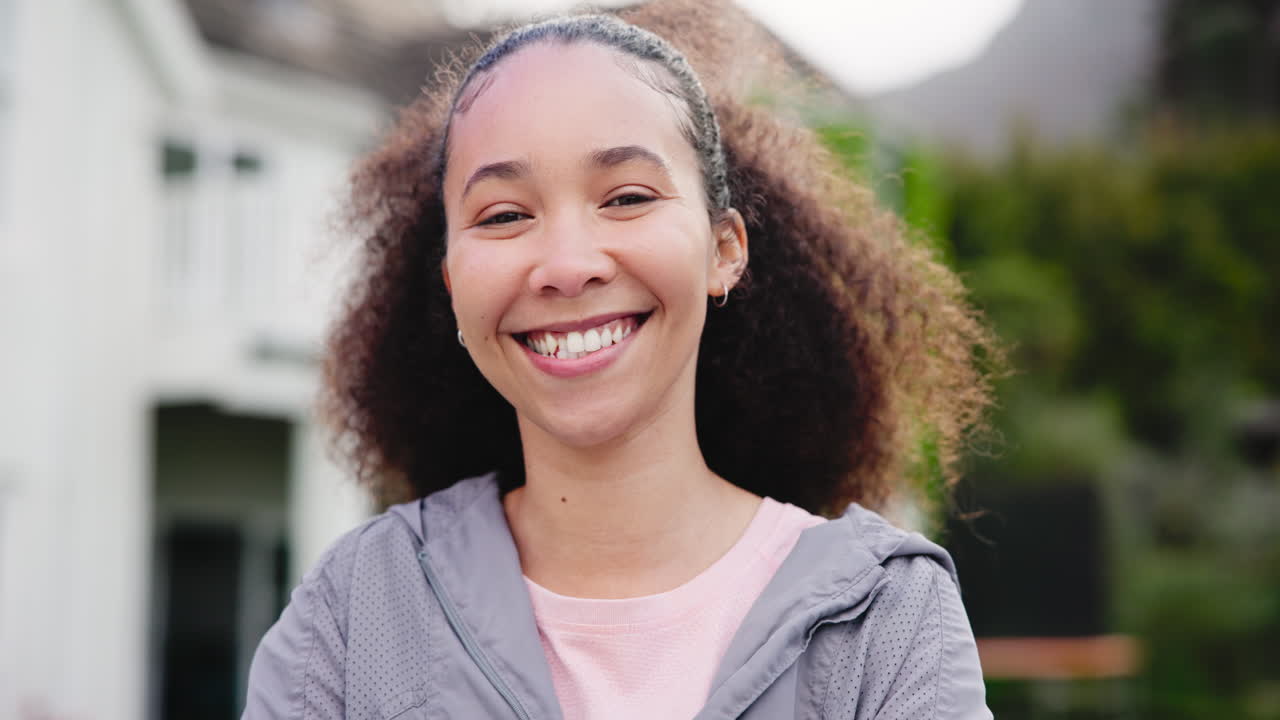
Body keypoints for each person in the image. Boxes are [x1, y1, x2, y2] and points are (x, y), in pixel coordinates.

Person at [243, 2, 998, 718]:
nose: (567, 266)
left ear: (724, 250)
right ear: (451, 284)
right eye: (504, 215)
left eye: (627, 197)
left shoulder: (883, 620)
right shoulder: (352, 615)